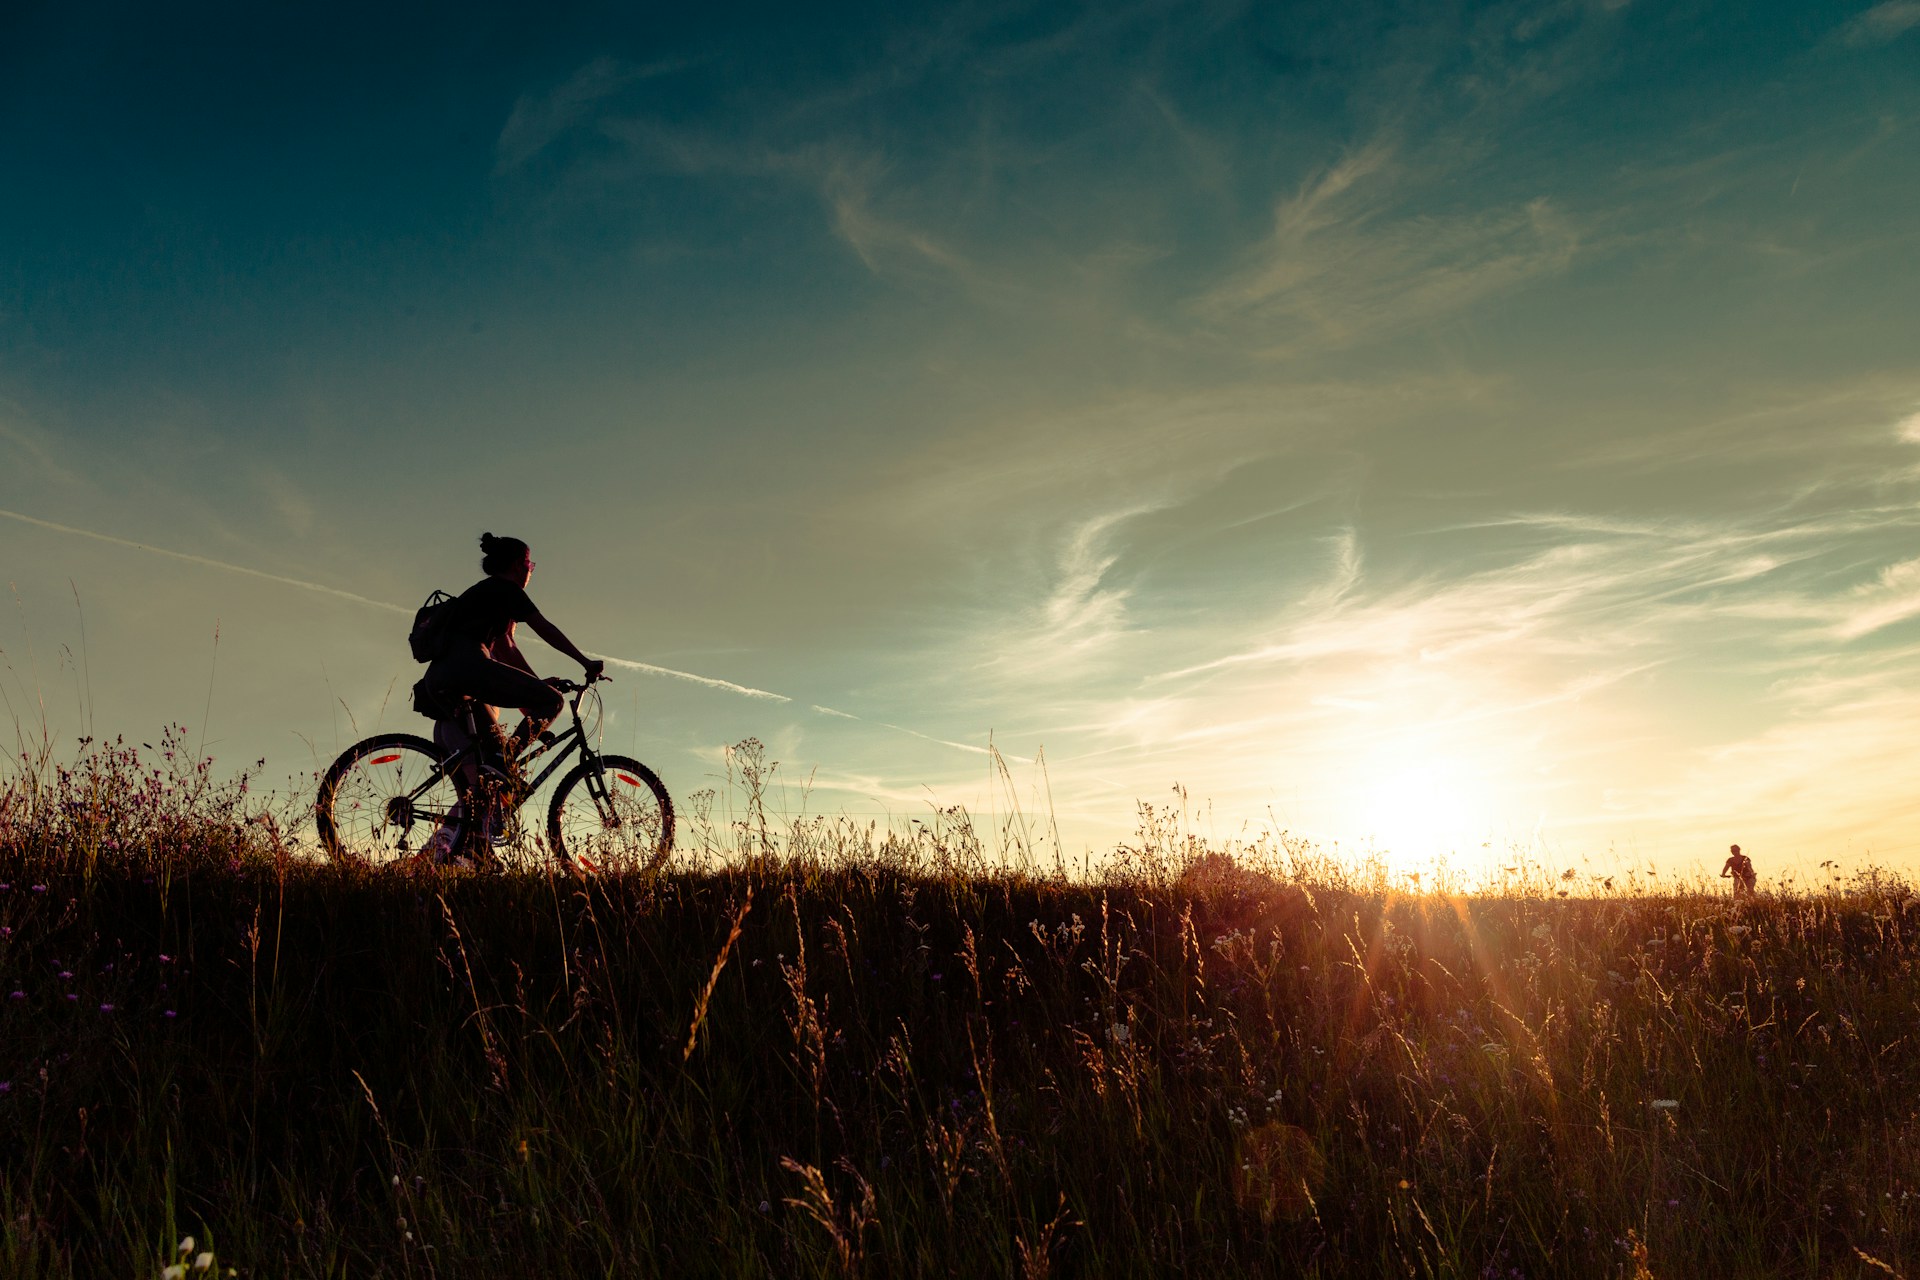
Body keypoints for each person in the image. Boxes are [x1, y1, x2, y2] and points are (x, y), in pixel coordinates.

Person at [421, 532, 605, 858]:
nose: (531, 569)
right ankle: (500, 767)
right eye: (530, 563)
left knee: (485, 790)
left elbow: (507, 649)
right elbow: (544, 627)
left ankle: (464, 854)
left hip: (440, 679)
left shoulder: (486, 596)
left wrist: (536, 688)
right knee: (551, 705)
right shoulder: (506, 589)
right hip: (468, 668)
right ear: (520, 565)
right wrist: (584, 661)